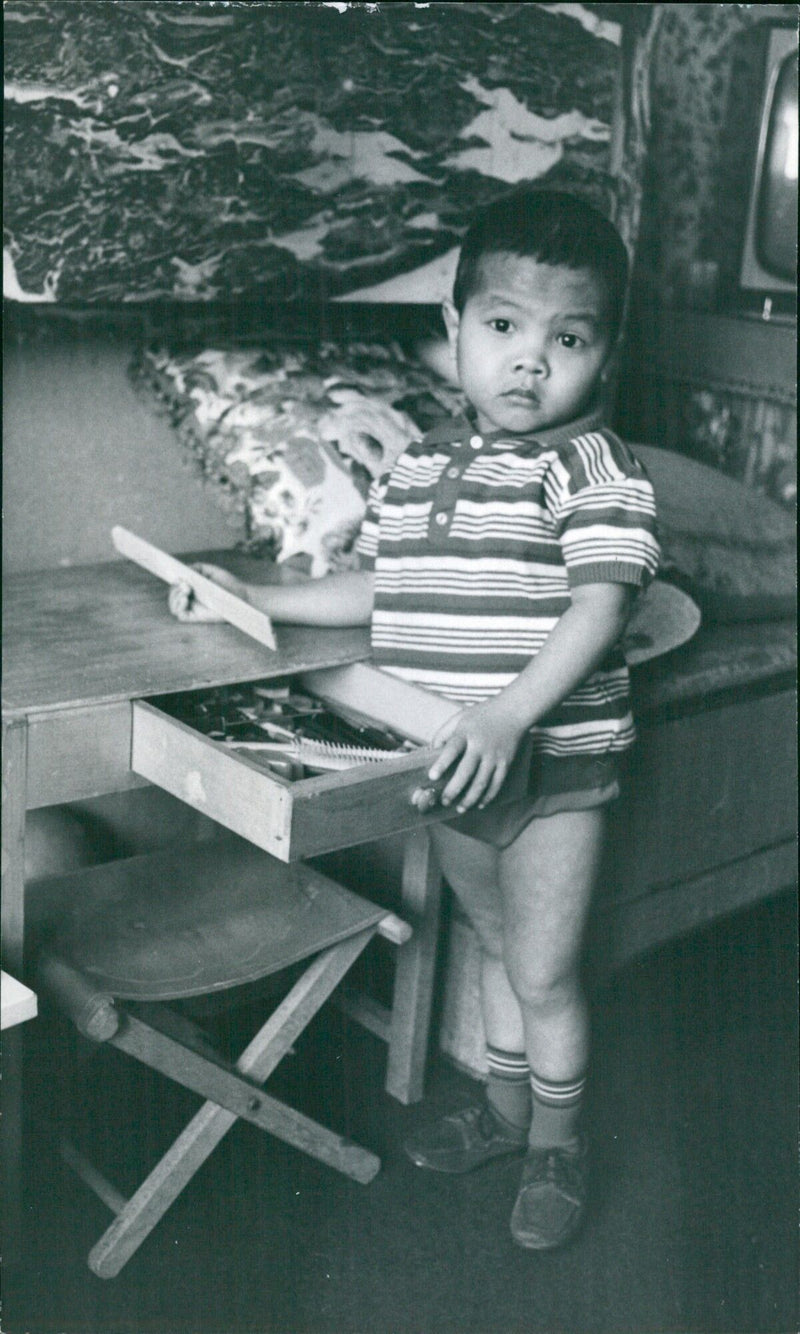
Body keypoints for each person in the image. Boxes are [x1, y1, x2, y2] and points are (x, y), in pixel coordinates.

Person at [169, 189, 660, 1251]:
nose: (528, 362)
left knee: (541, 969)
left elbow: (602, 602)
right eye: (501, 327)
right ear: (452, 329)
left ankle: (555, 1145)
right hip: (448, 762)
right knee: (490, 941)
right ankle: (502, 1107)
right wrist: (252, 596)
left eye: (564, 338)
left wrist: (507, 715)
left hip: (551, 764)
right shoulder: (422, 467)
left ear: (603, 354)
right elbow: (377, 591)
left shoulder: (592, 467)